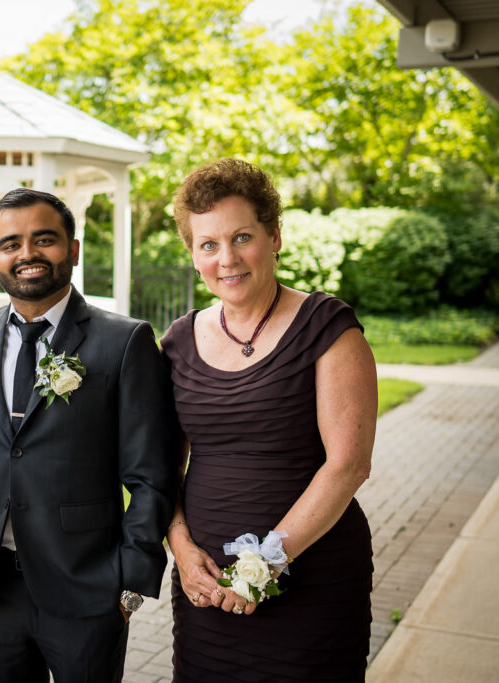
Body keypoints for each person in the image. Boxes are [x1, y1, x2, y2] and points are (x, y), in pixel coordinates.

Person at [0, 187, 179, 682]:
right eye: (11, 244)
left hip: (87, 587)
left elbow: (152, 473)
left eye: (43, 239)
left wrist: (131, 580)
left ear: (72, 249)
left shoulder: (124, 341)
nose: (26, 254)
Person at [161, 158, 376, 681]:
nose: (227, 258)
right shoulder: (177, 342)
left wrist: (265, 565)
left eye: (242, 237)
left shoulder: (330, 329)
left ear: (274, 236)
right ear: (192, 255)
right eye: (208, 244)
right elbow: (161, 464)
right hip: (206, 588)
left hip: (312, 578)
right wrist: (183, 550)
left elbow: (347, 466)